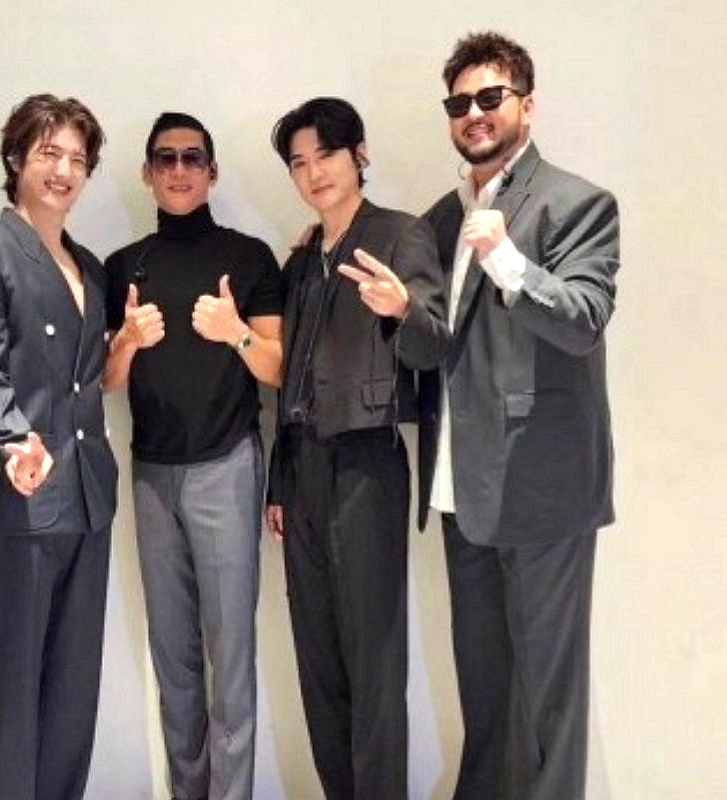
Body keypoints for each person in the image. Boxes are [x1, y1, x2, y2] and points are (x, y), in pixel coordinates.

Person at [420, 31, 619, 800]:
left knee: (547, 700)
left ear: (526, 105)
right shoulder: (442, 219)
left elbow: (583, 319)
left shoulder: (577, 203)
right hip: (460, 492)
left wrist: (507, 259)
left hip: (544, 489)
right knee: (486, 692)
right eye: (459, 102)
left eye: (490, 96)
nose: (473, 113)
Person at [266, 97, 448, 800]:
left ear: (358, 154)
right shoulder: (303, 257)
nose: (314, 173)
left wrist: (402, 309)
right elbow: (289, 379)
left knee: (373, 659)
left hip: (368, 461)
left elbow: (434, 348)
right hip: (304, 467)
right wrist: (278, 484)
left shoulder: (400, 236)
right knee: (318, 661)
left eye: (327, 155)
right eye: (299, 163)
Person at [103, 112, 283, 800]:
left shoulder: (250, 257)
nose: (179, 170)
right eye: (165, 158)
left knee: (230, 658)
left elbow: (277, 368)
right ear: (148, 172)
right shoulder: (123, 266)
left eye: (192, 158)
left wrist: (235, 332)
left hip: (226, 465)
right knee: (173, 659)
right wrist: (126, 342)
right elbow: (107, 383)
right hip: (152, 473)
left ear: (212, 171)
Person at [0, 94, 116, 800]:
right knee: (8, 694)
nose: (63, 171)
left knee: (73, 693)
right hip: (16, 499)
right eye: (49, 153)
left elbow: (89, 377)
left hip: (88, 497)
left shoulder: (90, 268)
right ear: (15, 157)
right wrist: (12, 442)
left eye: (77, 159)